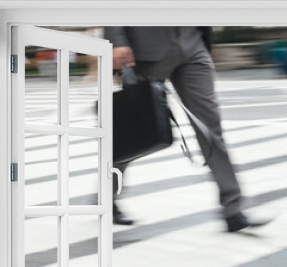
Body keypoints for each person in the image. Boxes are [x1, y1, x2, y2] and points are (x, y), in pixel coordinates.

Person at [105, 26, 270, 232]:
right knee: (133, 130)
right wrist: (117, 41)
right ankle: (107, 197)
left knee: (210, 128)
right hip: (146, 50)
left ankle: (233, 209)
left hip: (193, 44)